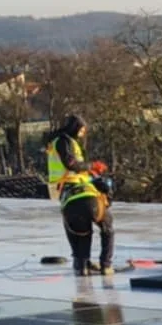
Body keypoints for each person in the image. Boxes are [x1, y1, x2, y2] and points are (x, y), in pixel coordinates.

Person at [45, 114, 114, 275]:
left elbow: (78, 169)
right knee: (107, 226)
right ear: (75, 128)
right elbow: (72, 164)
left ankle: (81, 265)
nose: (83, 133)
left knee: (78, 230)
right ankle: (106, 264)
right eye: (82, 129)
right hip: (78, 188)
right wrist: (92, 166)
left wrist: (91, 170)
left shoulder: (61, 142)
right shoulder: (64, 141)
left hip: (68, 193)